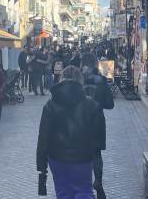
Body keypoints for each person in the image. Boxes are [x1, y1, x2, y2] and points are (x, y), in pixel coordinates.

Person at [37, 66, 106, 199]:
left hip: (57, 158)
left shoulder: (50, 105)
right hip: (83, 158)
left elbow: (43, 138)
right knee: (84, 190)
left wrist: (42, 168)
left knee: (63, 192)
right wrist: (98, 176)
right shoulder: (92, 106)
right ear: (80, 81)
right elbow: (99, 143)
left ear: (61, 80)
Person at [81, 54, 114, 199]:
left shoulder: (78, 80)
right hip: (97, 121)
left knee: (81, 154)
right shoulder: (102, 79)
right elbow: (110, 104)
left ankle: (84, 184)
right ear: (96, 64)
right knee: (96, 154)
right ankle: (98, 180)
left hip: (80, 121)